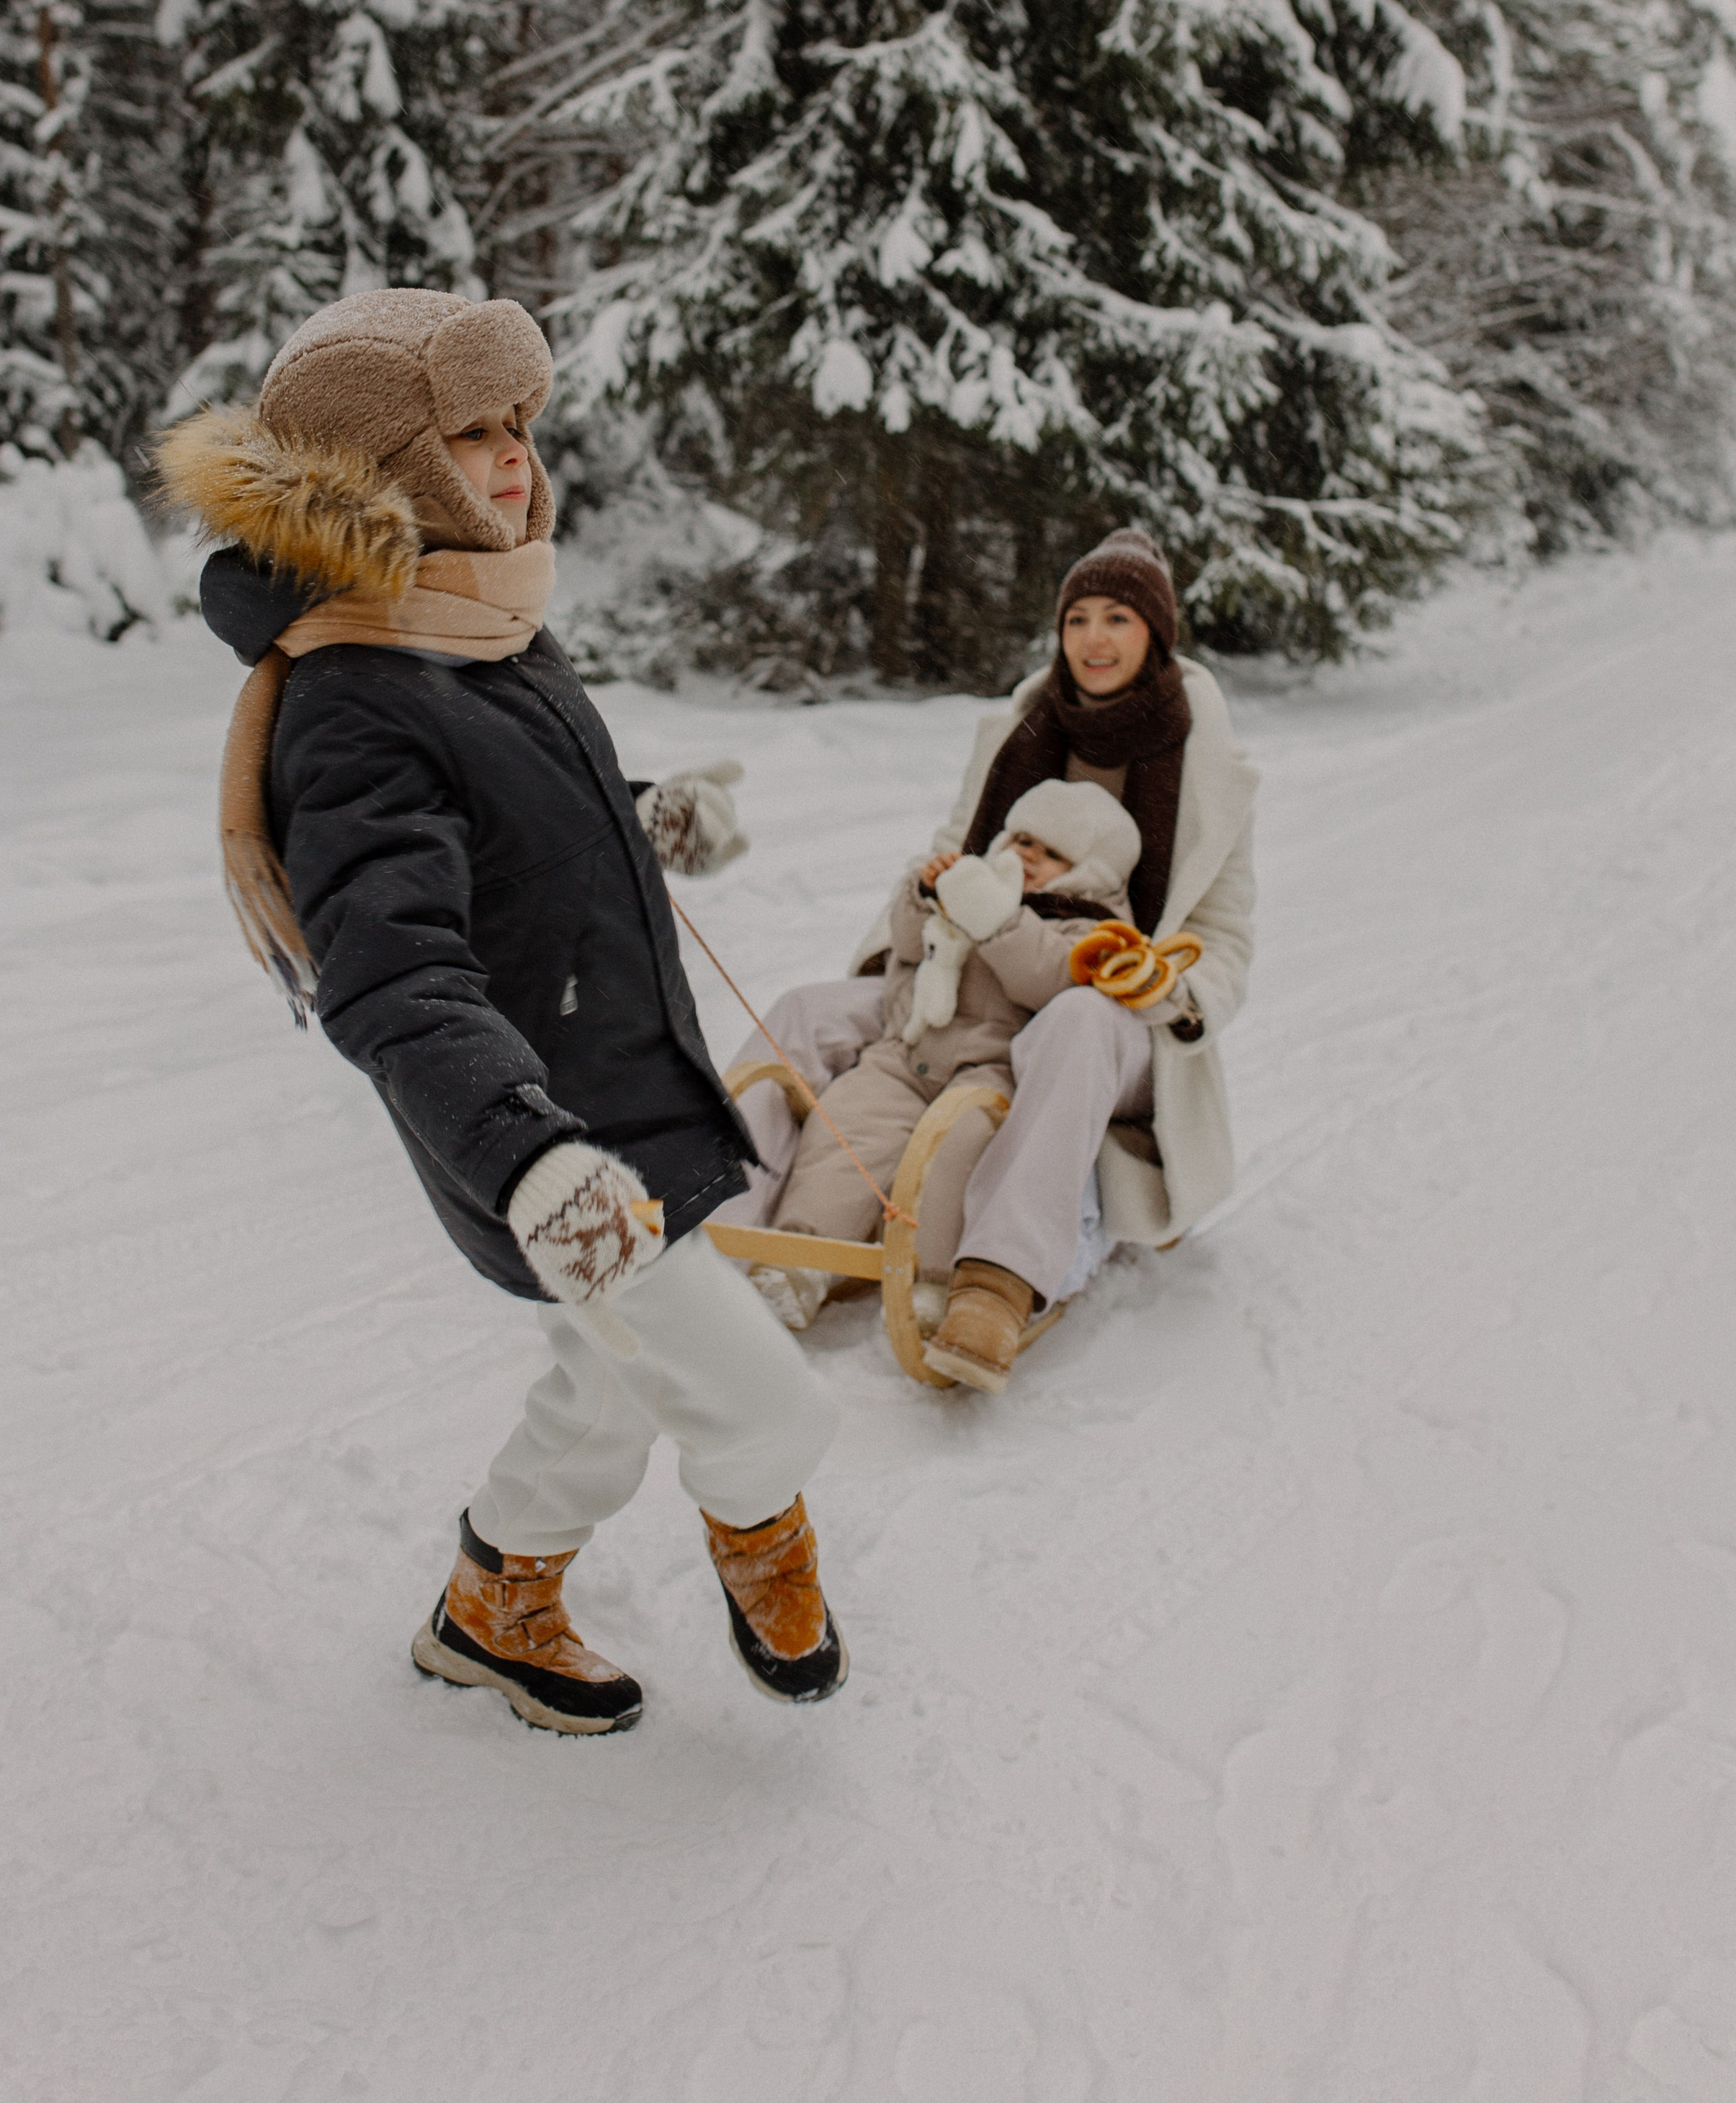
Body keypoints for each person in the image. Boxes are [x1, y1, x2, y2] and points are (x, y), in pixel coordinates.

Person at [158, 288, 846, 1736]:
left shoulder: (478, 622)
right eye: (467, 434)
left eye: (516, 425)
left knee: (602, 1394)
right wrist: (532, 1163)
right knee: (763, 1403)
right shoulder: (353, 695)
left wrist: (647, 813)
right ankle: (759, 1538)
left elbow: (523, 830)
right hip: (545, 1149)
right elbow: (393, 971)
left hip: (622, 1087)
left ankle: (492, 1605)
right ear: (386, 470)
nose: (513, 458)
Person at [728, 527, 1257, 1394]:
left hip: (1115, 1011)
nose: (1092, 639)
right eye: (1077, 618)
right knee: (808, 1011)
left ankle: (996, 1278)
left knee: (1079, 1017)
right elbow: (952, 852)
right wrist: (911, 951)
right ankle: (715, 1209)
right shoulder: (1023, 729)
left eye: (1117, 619)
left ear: (1155, 635)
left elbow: (1227, 935)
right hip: (969, 973)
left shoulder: (1205, 765)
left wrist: (1172, 988)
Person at [753, 777, 1142, 1361]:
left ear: (1089, 871)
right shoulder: (971, 885)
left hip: (988, 1069)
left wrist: (1002, 921)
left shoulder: (1086, 924)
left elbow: (1049, 979)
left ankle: (935, 1281)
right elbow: (907, 948)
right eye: (1022, 839)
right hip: (905, 1054)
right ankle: (802, 1257)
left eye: (1050, 852)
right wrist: (922, 893)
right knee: (848, 1131)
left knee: (957, 1153)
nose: (1026, 857)